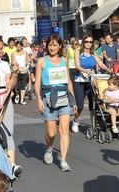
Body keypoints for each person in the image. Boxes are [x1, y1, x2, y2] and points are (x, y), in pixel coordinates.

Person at [34, 34, 78, 171]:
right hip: (48, 99)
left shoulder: (64, 60)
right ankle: (49, 148)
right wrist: (39, 100)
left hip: (64, 98)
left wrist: (74, 100)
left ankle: (63, 160)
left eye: (55, 45)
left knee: (64, 130)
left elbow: (69, 82)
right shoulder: (42, 61)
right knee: (51, 133)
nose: (52, 47)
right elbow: (37, 83)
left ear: (60, 46)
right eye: (50, 45)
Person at [0, 36, 22, 176]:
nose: (0, 51)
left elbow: (10, 84)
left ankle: (11, 164)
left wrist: (14, 73)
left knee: (7, 132)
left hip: (2, 96)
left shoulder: (4, 63)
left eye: (1, 48)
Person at [72, 35, 112, 133]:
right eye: (86, 42)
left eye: (90, 42)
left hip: (91, 81)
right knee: (80, 106)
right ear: (83, 43)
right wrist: (86, 71)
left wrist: (108, 69)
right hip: (80, 81)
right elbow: (77, 66)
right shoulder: (78, 52)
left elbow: (101, 63)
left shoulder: (93, 53)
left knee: (93, 104)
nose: (88, 44)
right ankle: (76, 120)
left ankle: (93, 125)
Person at [11, 41, 30, 105]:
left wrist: (27, 62)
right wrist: (15, 63)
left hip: (24, 70)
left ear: (21, 46)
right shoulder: (13, 53)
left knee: (23, 85)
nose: (18, 48)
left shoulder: (25, 52)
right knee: (17, 85)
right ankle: (17, 95)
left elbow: (28, 59)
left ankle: (22, 99)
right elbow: (11, 62)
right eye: (17, 46)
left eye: (19, 46)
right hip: (17, 70)